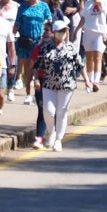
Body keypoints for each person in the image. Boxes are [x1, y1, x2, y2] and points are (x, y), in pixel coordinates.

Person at [36, 19, 84, 151]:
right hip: (49, 84)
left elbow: (80, 65)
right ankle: (51, 131)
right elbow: (37, 65)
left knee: (62, 112)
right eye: (60, 31)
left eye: (64, 31)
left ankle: (58, 139)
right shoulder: (46, 47)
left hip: (66, 85)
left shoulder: (71, 48)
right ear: (54, 32)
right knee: (48, 110)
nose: (62, 33)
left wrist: (88, 81)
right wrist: (34, 79)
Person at [12, 0, 52, 104]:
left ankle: (38, 93)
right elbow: (17, 23)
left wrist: (49, 36)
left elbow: (49, 22)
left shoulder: (43, 6)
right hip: (25, 41)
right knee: (28, 68)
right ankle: (28, 93)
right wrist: (11, 37)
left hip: (39, 41)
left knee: (39, 68)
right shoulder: (22, 7)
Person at [79, 0, 107, 92]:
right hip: (88, 31)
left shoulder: (105, 0)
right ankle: (90, 81)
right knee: (89, 58)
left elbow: (98, 1)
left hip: (100, 32)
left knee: (98, 57)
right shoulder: (88, 1)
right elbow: (83, 14)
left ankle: (96, 81)